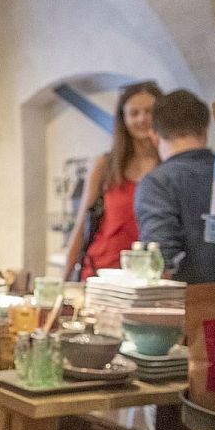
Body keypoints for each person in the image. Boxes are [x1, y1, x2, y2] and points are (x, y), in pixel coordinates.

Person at [134, 89, 215, 283]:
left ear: (154, 135)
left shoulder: (157, 183)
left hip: (185, 308)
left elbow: (160, 264)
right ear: (205, 128)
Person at [63, 81, 163, 280]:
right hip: (101, 272)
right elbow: (82, 223)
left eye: (149, 111)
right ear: (123, 118)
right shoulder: (106, 164)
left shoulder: (168, 165)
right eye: (134, 113)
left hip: (148, 278)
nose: (142, 118)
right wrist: (63, 282)